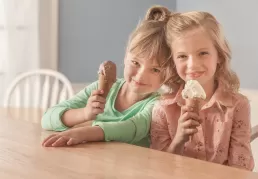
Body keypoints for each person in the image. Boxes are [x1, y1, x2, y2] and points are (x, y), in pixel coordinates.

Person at [41, 6, 173, 148]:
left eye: (155, 69)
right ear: (125, 57)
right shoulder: (103, 89)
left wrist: (83, 133)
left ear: (168, 72)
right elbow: (47, 118)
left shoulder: (158, 104)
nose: (141, 75)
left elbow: (131, 128)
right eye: (135, 62)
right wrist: (84, 113)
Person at [150, 9, 254, 170]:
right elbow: (158, 169)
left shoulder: (238, 106)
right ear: (174, 61)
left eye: (203, 53)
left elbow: (241, 168)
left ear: (219, 55)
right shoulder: (163, 109)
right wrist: (179, 139)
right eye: (182, 56)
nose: (193, 65)